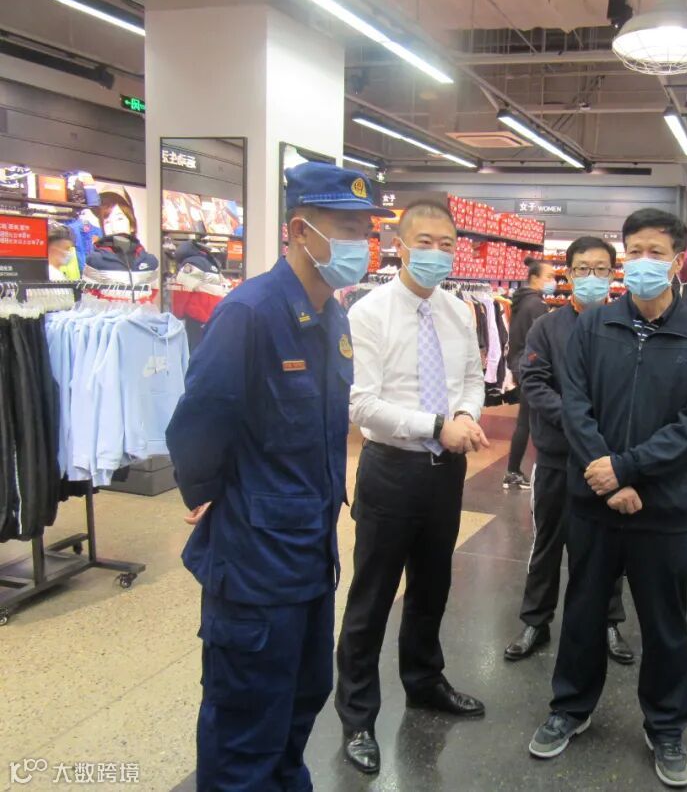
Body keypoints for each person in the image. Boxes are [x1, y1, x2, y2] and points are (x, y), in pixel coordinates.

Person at [166, 162, 390, 790]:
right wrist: (210, 497)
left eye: (365, 230)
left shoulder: (334, 318)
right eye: (344, 227)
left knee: (301, 703)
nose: (359, 243)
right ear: (298, 231)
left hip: (312, 558)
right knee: (246, 724)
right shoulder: (250, 313)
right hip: (256, 566)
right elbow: (197, 423)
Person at [529, 209, 687, 789]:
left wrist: (627, 468)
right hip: (594, 501)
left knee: (665, 623)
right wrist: (609, 478)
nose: (644, 261)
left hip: (663, 507)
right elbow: (575, 404)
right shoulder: (594, 326)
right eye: (634, 250)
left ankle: (665, 725)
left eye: (655, 252)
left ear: (677, 261)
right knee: (584, 610)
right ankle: (570, 707)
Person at [336, 200, 490, 775]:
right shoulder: (368, 312)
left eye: (447, 244)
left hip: (445, 472)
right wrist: (435, 425)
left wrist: (466, 415)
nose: (437, 253)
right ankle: (357, 715)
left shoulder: (458, 311)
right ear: (398, 245)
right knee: (372, 596)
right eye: (424, 242)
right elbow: (361, 404)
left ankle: (424, 681)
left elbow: (472, 379)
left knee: (432, 586)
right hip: (391, 470)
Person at [504, 237, 633, 665]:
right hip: (557, 457)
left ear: (613, 274)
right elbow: (534, 382)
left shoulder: (627, 327)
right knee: (547, 542)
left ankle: (608, 621)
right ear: (569, 274)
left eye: (600, 269)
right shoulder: (547, 327)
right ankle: (536, 620)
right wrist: (577, 421)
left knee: (606, 544)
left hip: (607, 460)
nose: (591, 277)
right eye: (582, 269)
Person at [504, 257, 555, 489]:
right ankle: (513, 472)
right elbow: (542, 341)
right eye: (549, 277)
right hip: (530, 366)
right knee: (527, 421)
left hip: (520, 363)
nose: (553, 282)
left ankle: (513, 471)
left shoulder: (523, 300)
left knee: (525, 420)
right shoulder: (536, 305)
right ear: (534, 278)